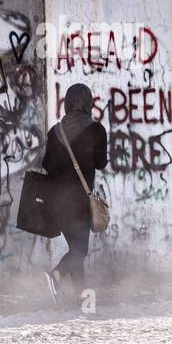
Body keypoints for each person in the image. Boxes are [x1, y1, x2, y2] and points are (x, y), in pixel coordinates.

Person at [42, 82, 107, 302]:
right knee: (80, 250)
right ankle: (55, 275)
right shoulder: (97, 130)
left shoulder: (56, 131)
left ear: (67, 104)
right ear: (88, 103)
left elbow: (47, 165)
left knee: (76, 249)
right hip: (78, 203)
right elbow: (101, 163)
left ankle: (83, 298)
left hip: (55, 202)